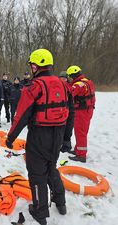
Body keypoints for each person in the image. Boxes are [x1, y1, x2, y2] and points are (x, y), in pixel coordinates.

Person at [6, 49, 69, 225]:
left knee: (37, 174)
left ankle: (40, 213)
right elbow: (70, 112)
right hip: (58, 133)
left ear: (36, 65)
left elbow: (21, 116)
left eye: (32, 65)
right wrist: (66, 139)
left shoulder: (33, 87)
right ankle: (61, 202)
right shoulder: (63, 84)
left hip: (39, 135)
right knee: (51, 167)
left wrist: (10, 138)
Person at [66, 65, 95, 162]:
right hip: (88, 110)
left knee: (80, 132)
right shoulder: (88, 81)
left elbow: (69, 94)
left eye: (70, 76)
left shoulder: (78, 85)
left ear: (73, 75)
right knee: (82, 131)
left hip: (81, 111)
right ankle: (77, 150)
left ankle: (81, 155)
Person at [58, 71, 75, 154]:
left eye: (64, 78)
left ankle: (67, 146)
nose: (62, 80)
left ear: (67, 79)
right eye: (61, 78)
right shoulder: (58, 86)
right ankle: (62, 144)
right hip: (62, 111)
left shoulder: (69, 87)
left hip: (70, 111)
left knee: (68, 129)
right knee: (61, 128)